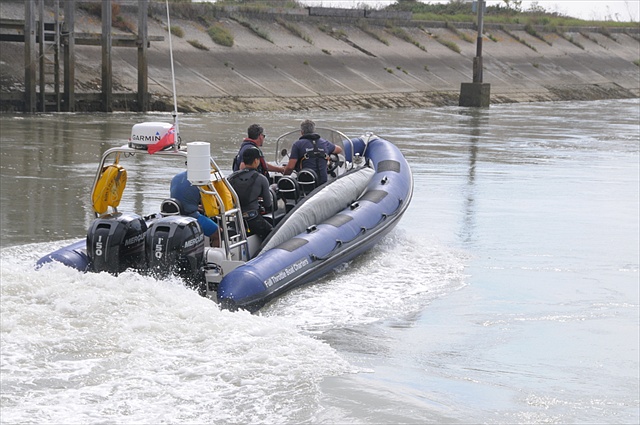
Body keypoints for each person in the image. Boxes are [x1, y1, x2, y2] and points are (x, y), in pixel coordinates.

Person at [228, 147, 273, 240]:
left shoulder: (231, 177)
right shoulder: (261, 179)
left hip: (235, 219)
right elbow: (268, 204)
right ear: (256, 161)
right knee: (272, 234)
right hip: (253, 219)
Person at [283, 119, 343, 185]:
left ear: (302, 132)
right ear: (314, 130)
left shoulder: (297, 145)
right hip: (323, 183)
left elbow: (290, 167)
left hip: (305, 183)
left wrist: (284, 177)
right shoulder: (324, 143)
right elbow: (339, 149)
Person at [170, 170, 220, 247]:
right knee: (218, 233)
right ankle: (215, 253)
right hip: (190, 216)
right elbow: (208, 207)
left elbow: (183, 199)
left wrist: (195, 206)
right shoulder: (200, 180)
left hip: (175, 213)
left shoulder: (176, 177)